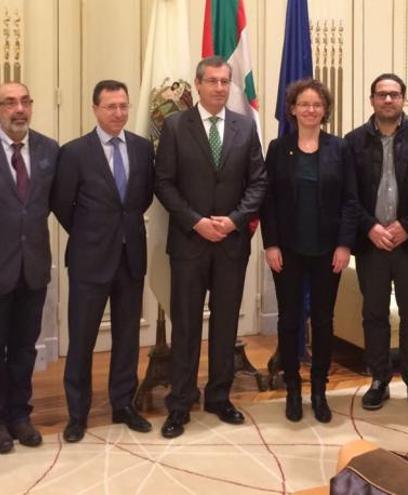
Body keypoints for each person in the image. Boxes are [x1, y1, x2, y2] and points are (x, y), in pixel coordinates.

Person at [154, 56, 267, 439]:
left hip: (231, 244)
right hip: (189, 242)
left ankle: (219, 396)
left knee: (224, 325)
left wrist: (234, 219)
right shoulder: (174, 126)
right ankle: (180, 403)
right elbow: (164, 184)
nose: (219, 88)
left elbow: (258, 183)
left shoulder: (245, 126)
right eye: (212, 81)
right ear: (198, 85)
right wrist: (197, 222)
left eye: (225, 82)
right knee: (185, 326)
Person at [54, 80, 155, 443]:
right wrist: (93, 233)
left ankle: (123, 404)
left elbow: (140, 200)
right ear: (95, 109)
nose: (118, 113)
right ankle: (77, 413)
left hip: (131, 258)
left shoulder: (143, 149)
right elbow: (63, 205)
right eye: (111, 106)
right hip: (89, 258)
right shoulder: (75, 152)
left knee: (127, 336)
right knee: (82, 338)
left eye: (123, 106)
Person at [0, 82, 58, 454]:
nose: (18, 109)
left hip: (33, 266)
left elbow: (54, 203)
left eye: (24, 102)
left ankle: (20, 414)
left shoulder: (49, 150)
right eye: (10, 103)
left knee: (25, 348)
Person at [345, 73, 408, 415]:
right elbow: (348, 194)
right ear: (372, 99)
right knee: (374, 313)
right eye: (382, 95)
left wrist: (406, 226)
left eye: (394, 94)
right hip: (371, 244)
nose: (388, 100)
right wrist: (371, 228)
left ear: (403, 99)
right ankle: (379, 379)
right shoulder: (354, 141)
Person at [260, 78, 355, 423]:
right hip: (287, 251)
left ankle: (318, 389)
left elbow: (350, 200)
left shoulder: (339, 148)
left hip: (328, 251)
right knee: (289, 321)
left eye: (317, 104)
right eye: (304, 104)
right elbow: (267, 201)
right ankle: (292, 390)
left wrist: (345, 244)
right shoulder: (278, 147)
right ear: (293, 109)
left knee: (324, 321)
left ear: (325, 110)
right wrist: (270, 243)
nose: (311, 110)